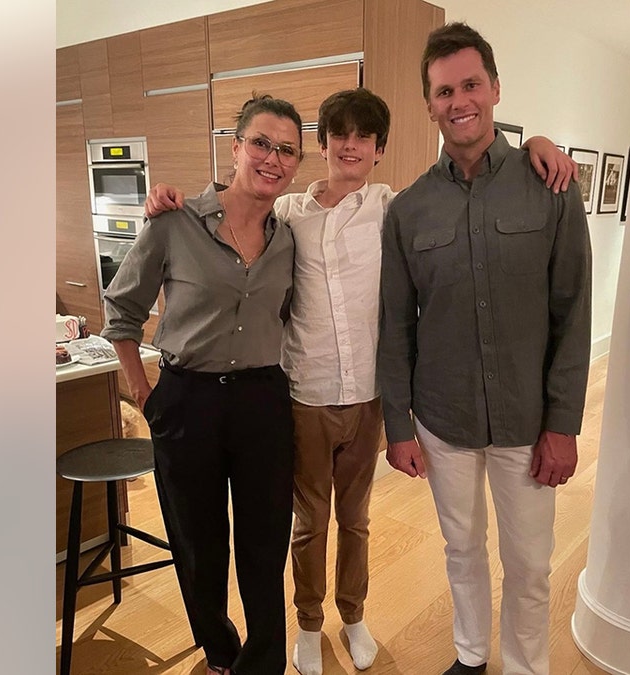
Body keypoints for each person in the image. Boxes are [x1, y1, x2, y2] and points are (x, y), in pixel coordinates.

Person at [147, 87, 575, 675]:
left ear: (379, 150)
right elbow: (234, 204)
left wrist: (539, 147)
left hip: (368, 395)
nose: (351, 145)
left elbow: (457, 188)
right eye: (339, 135)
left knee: (356, 518)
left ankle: (353, 615)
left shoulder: (392, 208)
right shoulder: (289, 213)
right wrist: (166, 195)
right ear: (320, 146)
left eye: (365, 137)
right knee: (307, 520)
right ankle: (307, 621)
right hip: (302, 393)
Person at [377, 22, 592, 675]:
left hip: (527, 422)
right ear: (430, 104)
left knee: (529, 563)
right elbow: (395, 325)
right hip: (443, 421)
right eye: (444, 90)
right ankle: (470, 656)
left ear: (495, 89)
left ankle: (526, 667)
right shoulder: (408, 211)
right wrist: (397, 424)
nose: (458, 99)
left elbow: (573, 313)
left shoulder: (549, 186)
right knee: (461, 548)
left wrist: (563, 423)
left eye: (471, 83)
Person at [100, 95, 305, 675]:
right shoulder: (175, 222)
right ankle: (220, 653)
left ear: (295, 164)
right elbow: (122, 310)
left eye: (286, 150)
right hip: (186, 400)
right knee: (198, 543)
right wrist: (144, 394)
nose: (272, 157)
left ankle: (263, 663)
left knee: (265, 542)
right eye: (261, 143)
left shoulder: (289, 238)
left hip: (263, 400)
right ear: (235, 147)